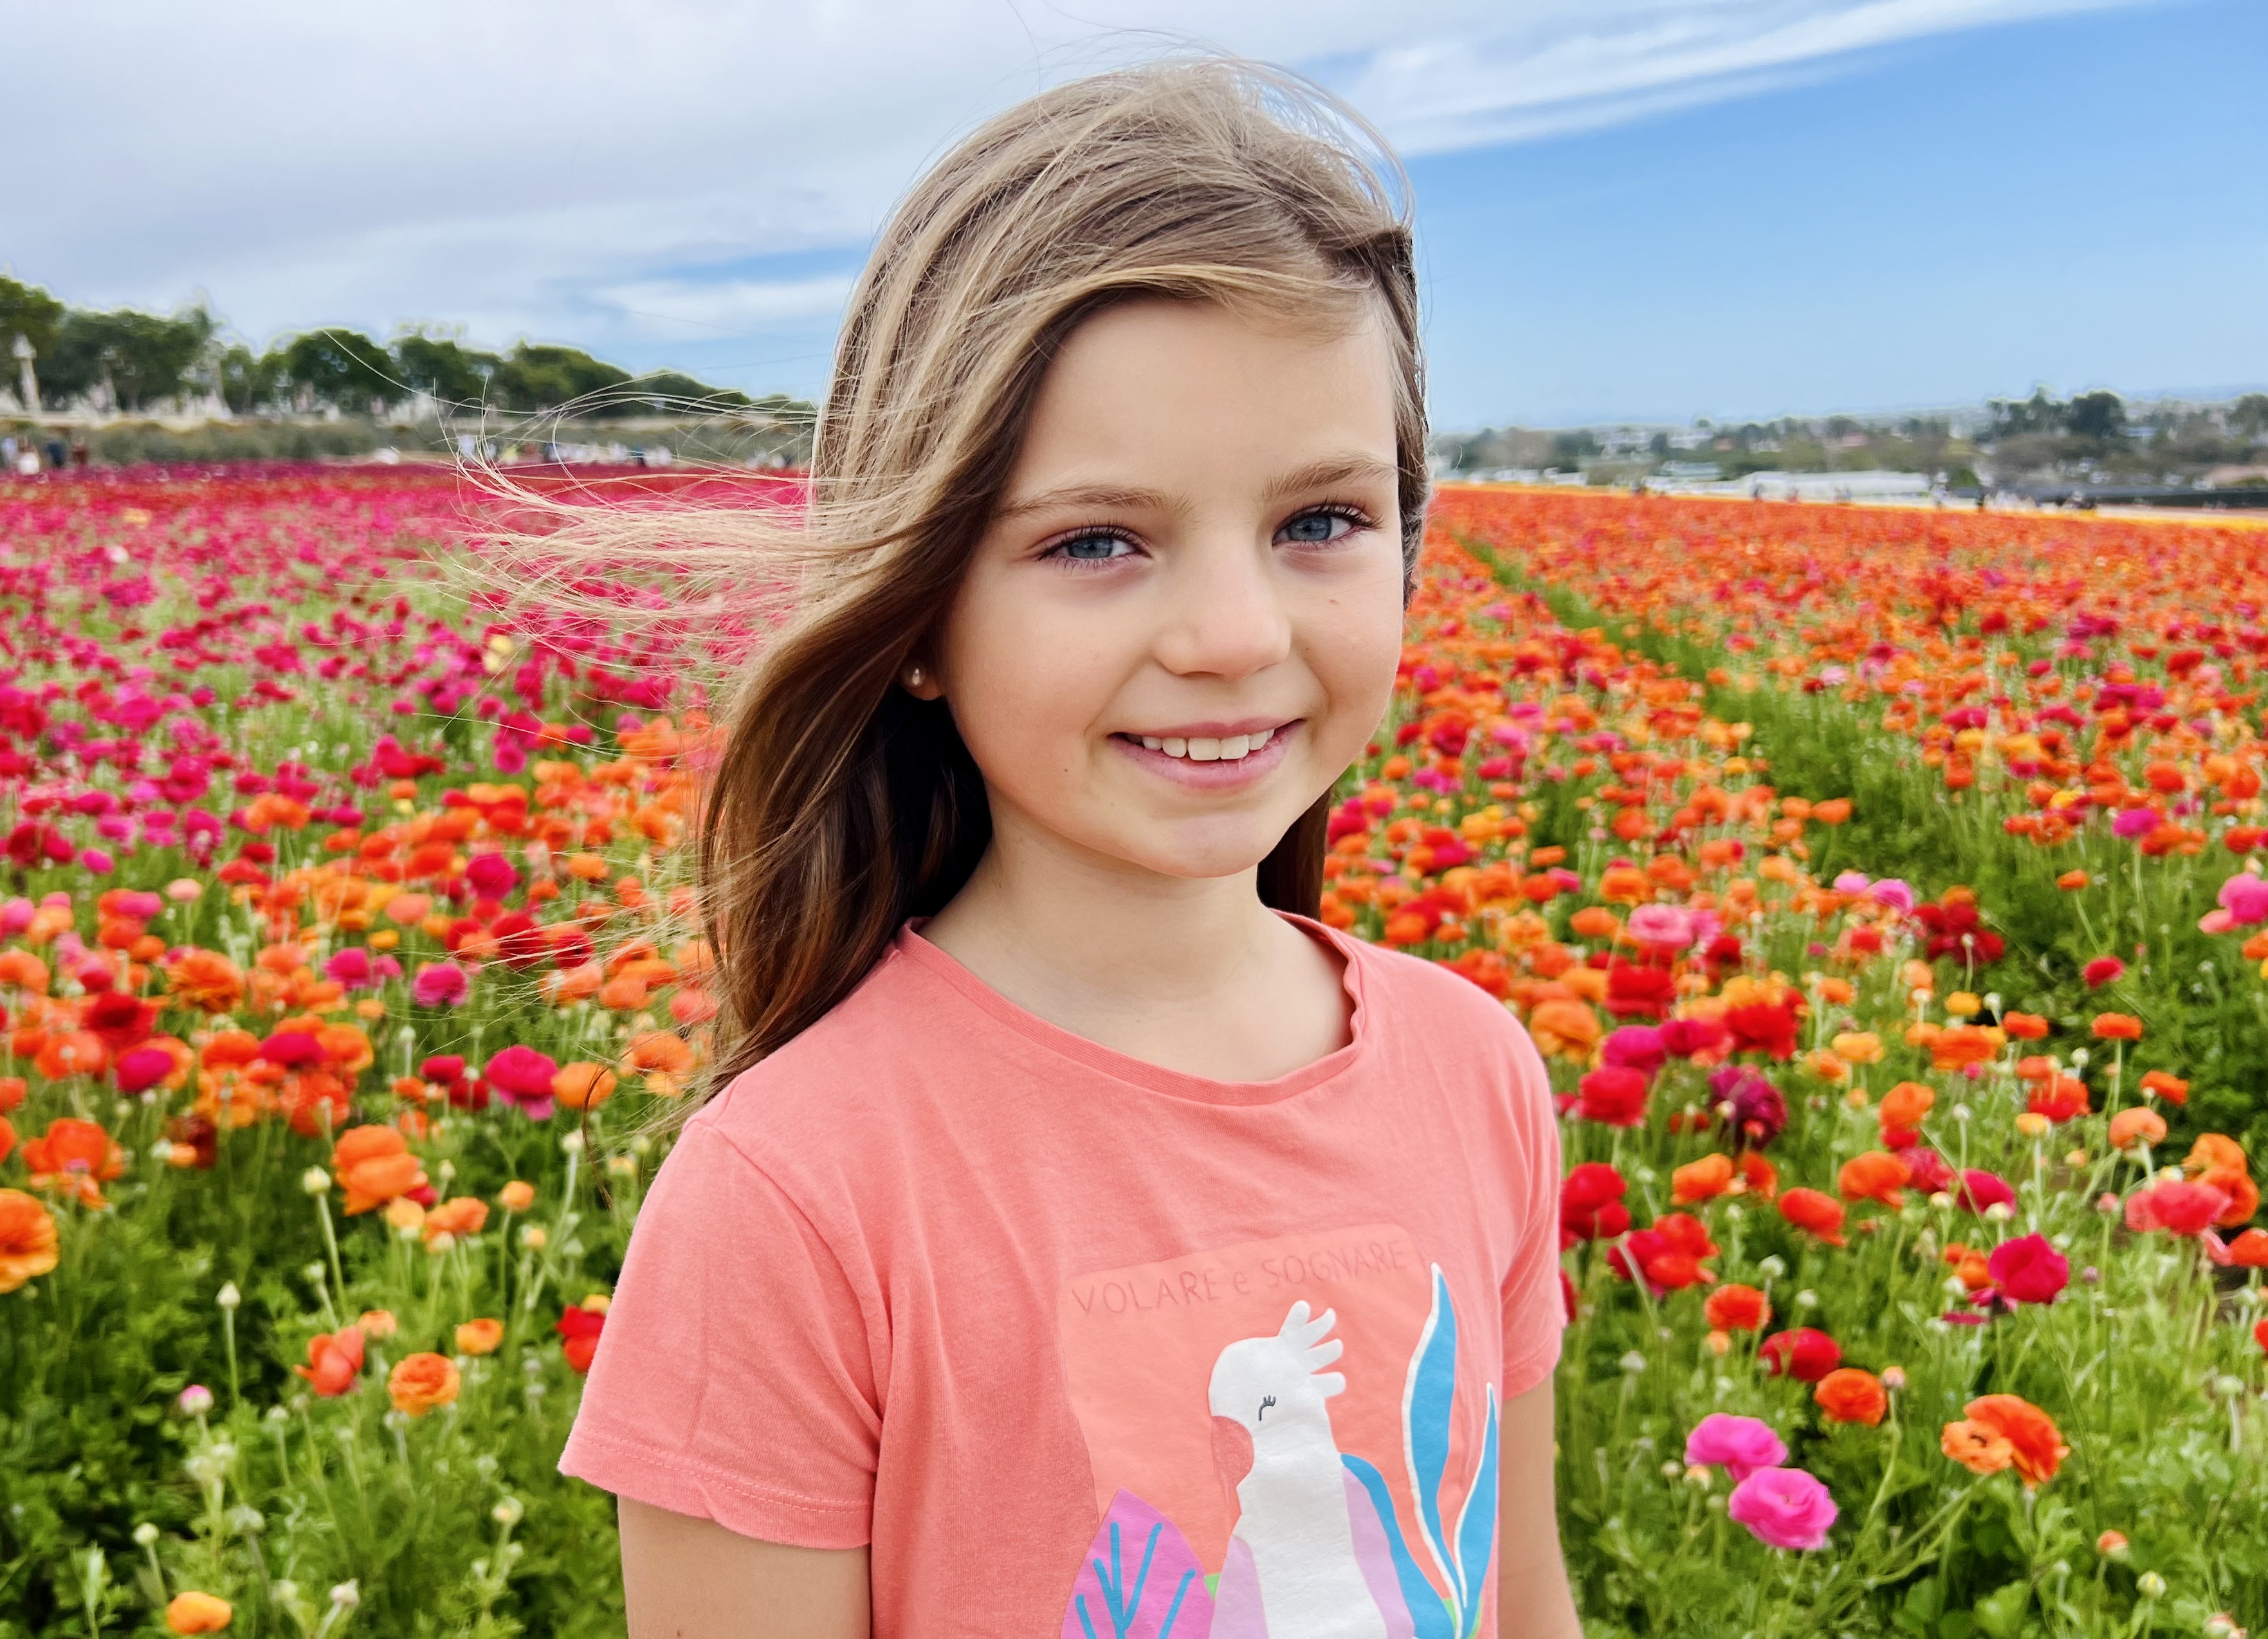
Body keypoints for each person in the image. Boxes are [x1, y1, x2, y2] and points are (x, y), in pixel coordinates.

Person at [553, 58, 1578, 1639]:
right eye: (1095, 539)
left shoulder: (1475, 1071)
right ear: (916, 611)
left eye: (1318, 521)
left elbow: (1521, 1602)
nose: (1234, 634)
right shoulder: (796, 1194)